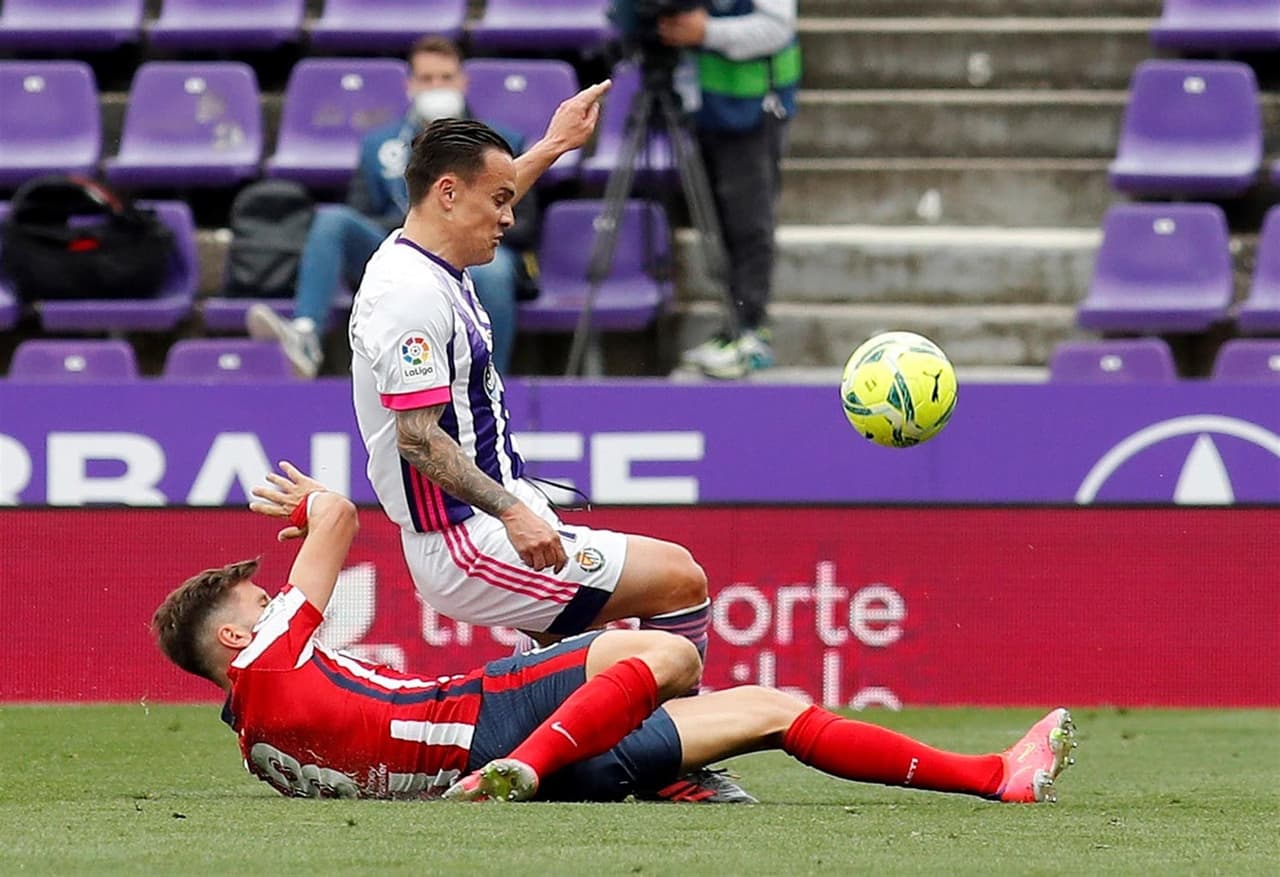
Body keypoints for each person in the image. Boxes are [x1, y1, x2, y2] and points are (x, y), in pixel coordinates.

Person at [150, 464, 1078, 804]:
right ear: (233, 644)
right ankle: (531, 767)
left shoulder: (257, 747)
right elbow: (343, 516)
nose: (278, 608)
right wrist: (315, 506)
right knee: (667, 652)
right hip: (486, 723)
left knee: (774, 709)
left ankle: (995, 776)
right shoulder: (269, 659)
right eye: (259, 605)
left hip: (532, 769)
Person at [247, 36, 530, 378]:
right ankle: (305, 334)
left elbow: (526, 224)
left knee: (496, 271)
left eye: (446, 78)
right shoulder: (378, 146)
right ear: (410, 86)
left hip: (474, 254)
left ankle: (489, 381)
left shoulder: (501, 143)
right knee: (332, 220)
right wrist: (422, 224)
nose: (436, 86)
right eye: (426, 79)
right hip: (402, 248)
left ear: (463, 81)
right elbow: (361, 212)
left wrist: (461, 231)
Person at [659, 0, 799, 379]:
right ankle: (732, 328)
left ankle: (751, 331)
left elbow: (777, 28)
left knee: (749, 222)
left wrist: (707, 32)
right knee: (720, 223)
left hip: (755, 106)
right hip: (707, 107)